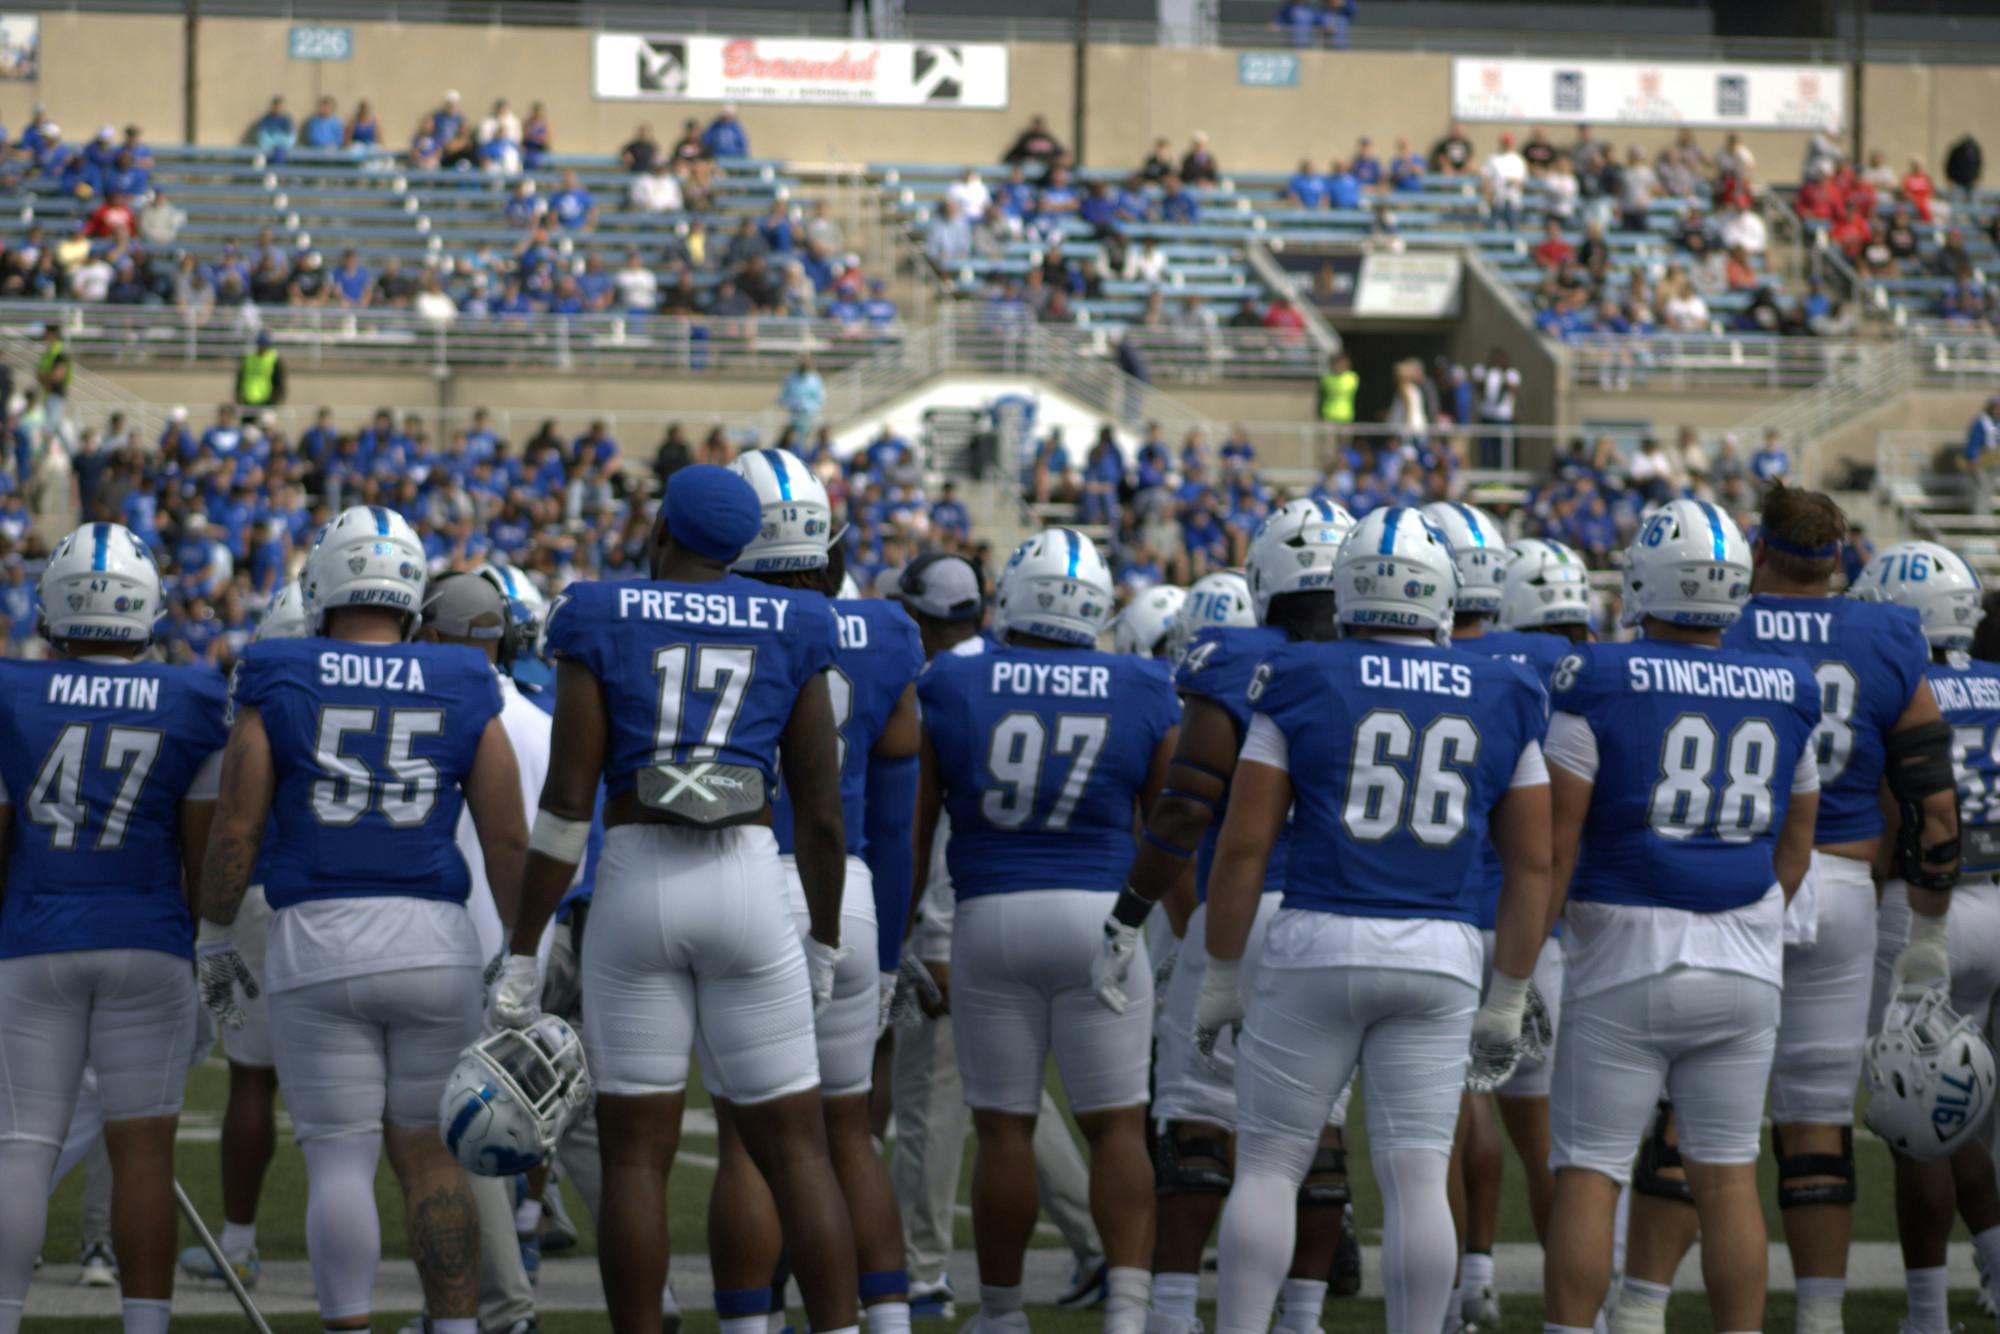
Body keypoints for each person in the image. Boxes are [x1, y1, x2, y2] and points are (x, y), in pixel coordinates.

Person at [490, 465, 861, 1334]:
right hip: (750, 880)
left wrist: (523, 950)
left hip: (638, 879)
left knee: (635, 1160)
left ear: (661, 531)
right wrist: (825, 938)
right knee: (799, 1151)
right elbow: (821, 813)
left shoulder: (599, 611)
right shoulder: (797, 618)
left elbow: (567, 807)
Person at [1198, 505, 1552, 1334]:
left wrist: (1219, 971)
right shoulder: (1503, 687)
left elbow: (1244, 846)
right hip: (1440, 952)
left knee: (1270, 1165)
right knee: (1418, 1177)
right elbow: (1533, 863)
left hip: (1318, 938)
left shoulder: (1303, 674)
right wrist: (1509, 992)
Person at [1620, 486, 1958, 1334]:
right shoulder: (1887, 633)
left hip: (1736, 879)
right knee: (1817, 1122)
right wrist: (1926, 929)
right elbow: (1935, 806)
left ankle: (1641, 1310)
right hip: (1843, 892)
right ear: (1839, 559)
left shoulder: (1722, 624)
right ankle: (1819, 1319)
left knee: (1687, 1115)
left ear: (1760, 552)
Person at [193, 506, 530, 1334]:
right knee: (434, 1157)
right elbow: (506, 836)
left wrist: (213, 935)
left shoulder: (278, 668)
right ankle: (457, 1328)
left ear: (322, 583)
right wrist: (520, 949)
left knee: (340, 1160)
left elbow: (236, 827)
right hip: (435, 941)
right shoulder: (462, 676)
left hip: (319, 939)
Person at [1542, 499, 1822, 1334]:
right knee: (1728, 1179)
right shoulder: (1788, 687)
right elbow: (1795, 847)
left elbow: (1555, 848)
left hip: (1624, 951)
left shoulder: (1598, 677)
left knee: (1590, 1171)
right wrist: (1745, 920)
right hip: (1743, 957)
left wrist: (1522, 967)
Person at [1092, 502, 1363, 1334]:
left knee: (1199, 1130)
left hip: (1243, 916)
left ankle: (1174, 1313)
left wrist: (1129, 916)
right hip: (1339, 917)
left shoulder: (1234, 660)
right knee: (1317, 1138)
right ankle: (1303, 1318)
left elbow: (1182, 813)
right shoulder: (1382, 665)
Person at [913, 528, 1182, 1334]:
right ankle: (1128, 1311)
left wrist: (902, 937)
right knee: (1118, 1125)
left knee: (1004, 1129)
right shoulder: (1143, 684)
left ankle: (1001, 1313)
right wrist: (1151, 920)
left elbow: (915, 829)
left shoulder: (953, 681)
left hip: (992, 913)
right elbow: (1169, 825)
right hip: (1102, 911)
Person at [703, 451, 925, 1334]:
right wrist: (893, 952)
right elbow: (899, 822)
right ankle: (886, 1322)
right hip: (851, 894)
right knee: (846, 1135)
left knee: (745, 1138)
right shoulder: (886, 632)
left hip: (745, 879)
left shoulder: (703, 618)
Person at [0, 523, 227, 1334]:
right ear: (147, 607)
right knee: (143, 1153)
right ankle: (146, 1324)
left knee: (22, 1146)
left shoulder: (11, 689)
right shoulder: (196, 696)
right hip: (147, 937)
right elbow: (203, 853)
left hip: (35, 934)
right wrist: (202, 942)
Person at [886, 554, 1108, 1322]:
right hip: (1067, 903)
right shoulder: (1016, 668)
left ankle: (921, 1271)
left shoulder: (946, 685)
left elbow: (946, 827)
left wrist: (932, 936)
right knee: (1010, 1100)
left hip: (975, 917)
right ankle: (1100, 1244)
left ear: (918, 616)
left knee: (932, 1103)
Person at [1849, 540, 2000, 1333]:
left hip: (1923, 908)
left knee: (1918, 1120)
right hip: (1996, 901)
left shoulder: (1900, 687)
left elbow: (1890, 811)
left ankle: (1927, 1314)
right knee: (1963, 1109)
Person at [174, 582, 307, 1292]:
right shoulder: (373, 681)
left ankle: (239, 1243)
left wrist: (209, 927)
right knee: (360, 1097)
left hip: (250, 898)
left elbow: (225, 820)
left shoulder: (250, 691)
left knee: (252, 1077)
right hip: (336, 899)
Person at [1966, 396, 2000, 517]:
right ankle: (1979, 515)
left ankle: (1985, 514)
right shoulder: (1981, 422)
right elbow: (1973, 441)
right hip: (1982, 456)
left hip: (1995, 458)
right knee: (1981, 485)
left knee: (1990, 487)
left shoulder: (1997, 423)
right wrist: (1971, 458)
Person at [234, 331, 285, 411]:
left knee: (267, 418)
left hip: (267, 399)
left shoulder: (274, 360)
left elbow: (279, 381)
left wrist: (277, 398)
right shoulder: (248, 359)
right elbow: (240, 378)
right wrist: (238, 395)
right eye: (260, 345)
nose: (262, 348)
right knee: (247, 419)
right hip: (248, 398)